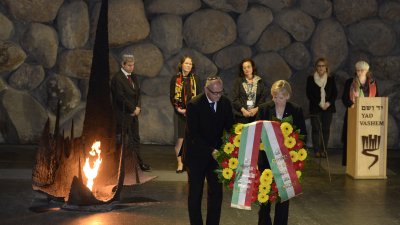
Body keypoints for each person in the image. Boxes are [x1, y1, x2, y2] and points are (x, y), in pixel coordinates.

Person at [183, 76, 234, 225]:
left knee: (216, 194)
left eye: (220, 92)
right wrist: (211, 150)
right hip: (196, 156)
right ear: (206, 90)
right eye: (214, 92)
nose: (218, 96)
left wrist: (230, 146)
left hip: (216, 157)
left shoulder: (225, 103)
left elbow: (230, 127)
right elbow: (193, 134)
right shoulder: (194, 105)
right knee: (195, 194)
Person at [256, 80, 307, 225]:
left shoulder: (296, 110)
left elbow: (302, 135)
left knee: (283, 198)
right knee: (265, 196)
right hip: (266, 160)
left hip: (287, 161)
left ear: (288, 96)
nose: (277, 100)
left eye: (281, 97)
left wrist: (293, 147)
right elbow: (257, 132)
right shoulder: (264, 109)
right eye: (274, 97)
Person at [111, 54, 151, 171]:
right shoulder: (117, 79)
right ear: (122, 65)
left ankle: (138, 163)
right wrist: (132, 109)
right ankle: (118, 165)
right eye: (129, 65)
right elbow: (120, 97)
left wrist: (138, 107)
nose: (132, 67)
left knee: (135, 139)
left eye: (133, 65)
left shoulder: (134, 77)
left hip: (134, 114)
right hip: (122, 114)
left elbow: (138, 93)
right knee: (121, 139)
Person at [341, 60, 378, 166]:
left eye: (362, 70)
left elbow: (376, 97)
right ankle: (351, 163)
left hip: (367, 116)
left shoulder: (373, 83)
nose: (359, 72)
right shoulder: (350, 82)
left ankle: (365, 162)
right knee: (351, 139)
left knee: (365, 139)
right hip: (353, 113)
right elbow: (344, 98)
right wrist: (350, 104)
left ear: (367, 71)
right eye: (357, 70)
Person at [169, 56, 201, 173]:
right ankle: (180, 163)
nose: (188, 66)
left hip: (193, 114)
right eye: (186, 63)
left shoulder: (196, 79)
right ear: (181, 64)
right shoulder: (175, 79)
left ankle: (190, 162)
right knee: (181, 139)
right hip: (180, 113)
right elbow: (172, 96)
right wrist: (179, 109)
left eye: (190, 64)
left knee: (192, 139)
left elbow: (200, 96)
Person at [306, 58, 337, 158]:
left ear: (326, 68)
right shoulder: (310, 79)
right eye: (319, 66)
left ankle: (324, 150)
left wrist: (328, 103)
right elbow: (309, 94)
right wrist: (319, 103)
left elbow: (335, 93)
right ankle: (316, 151)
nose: (321, 68)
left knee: (325, 129)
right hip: (315, 107)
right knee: (316, 129)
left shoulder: (331, 79)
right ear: (316, 67)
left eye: (323, 66)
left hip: (328, 108)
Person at [232, 58, 267, 124]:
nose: (246, 69)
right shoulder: (238, 82)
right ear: (242, 69)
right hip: (242, 115)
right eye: (244, 68)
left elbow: (263, 98)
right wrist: (243, 110)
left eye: (248, 67)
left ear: (252, 67)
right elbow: (235, 99)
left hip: (257, 115)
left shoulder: (259, 81)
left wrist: (256, 109)